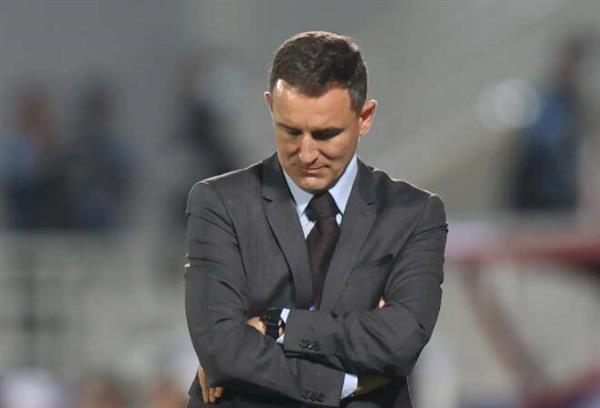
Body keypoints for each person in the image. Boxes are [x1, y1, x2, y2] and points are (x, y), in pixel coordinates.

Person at [184, 31, 448, 408]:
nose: (306, 153)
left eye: (326, 135)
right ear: (270, 106)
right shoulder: (219, 203)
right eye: (290, 131)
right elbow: (222, 350)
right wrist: (346, 383)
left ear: (365, 118)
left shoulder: (413, 215)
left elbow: (400, 342)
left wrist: (279, 325)